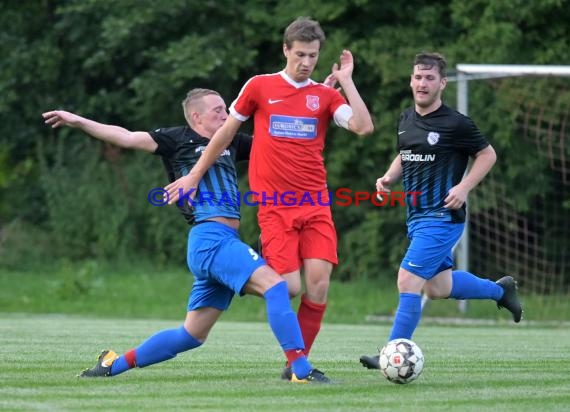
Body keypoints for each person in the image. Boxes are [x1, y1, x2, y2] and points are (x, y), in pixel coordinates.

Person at [42, 88, 330, 383]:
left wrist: (316, 100)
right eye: (218, 110)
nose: (226, 114)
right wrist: (77, 120)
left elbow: (280, 145)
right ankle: (300, 371)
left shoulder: (232, 140)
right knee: (277, 287)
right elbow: (125, 136)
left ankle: (112, 364)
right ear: (196, 116)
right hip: (210, 240)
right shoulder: (177, 139)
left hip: (221, 244)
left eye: (226, 109)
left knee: (191, 335)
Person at [164, 17, 374, 380]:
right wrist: (194, 175)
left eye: (313, 55)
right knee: (290, 288)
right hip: (275, 206)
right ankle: (296, 357)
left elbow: (362, 126)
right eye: (301, 54)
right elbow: (225, 135)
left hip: (315, 204)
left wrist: (347, 82)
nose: (307, 62)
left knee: (320, 284)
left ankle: (296, 366)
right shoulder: (259, 87)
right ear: (286, 50)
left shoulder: (324, 96)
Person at [359, 52, 523, 370]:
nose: (422, 83)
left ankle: (390, 354)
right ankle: (500, 291)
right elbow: (405, 155)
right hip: (416, 217)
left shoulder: (456, 123)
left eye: (429, 77)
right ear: (411, 80)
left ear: (442, 83)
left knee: (407, 280)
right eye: (418, 77)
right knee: (438, 289)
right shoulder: (406, 119)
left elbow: (487, 154)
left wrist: (464, 188)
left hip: (442, 217)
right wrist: (388, 177)